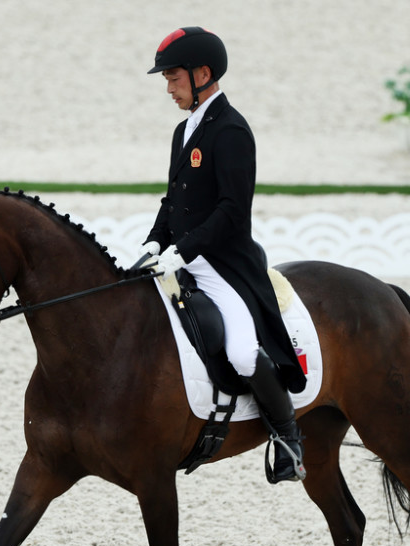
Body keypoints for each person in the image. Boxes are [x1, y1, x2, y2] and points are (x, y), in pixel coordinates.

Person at [144, 26, 307, 483]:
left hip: (223, 266)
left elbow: (233, 211)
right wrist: (154, 242)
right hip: (183, 257)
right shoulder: (184, 132)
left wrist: (185, 249)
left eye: (174, 78)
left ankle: (288, 439)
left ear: (202, 74)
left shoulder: (232, 131)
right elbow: (173, 201)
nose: (169, 89)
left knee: (238, 351)